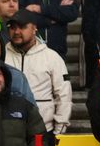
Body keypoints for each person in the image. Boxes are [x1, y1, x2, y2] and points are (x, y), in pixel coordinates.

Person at [4, 10, 71, 138]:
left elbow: (63, 95)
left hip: (44, 131)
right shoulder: (2, 55)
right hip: (9, 132)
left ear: (34, 28)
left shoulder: (52, 57)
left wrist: (58, 133)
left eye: (22, 27)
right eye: (12, 27)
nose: (16, 31)